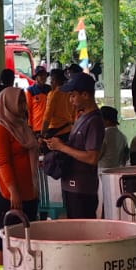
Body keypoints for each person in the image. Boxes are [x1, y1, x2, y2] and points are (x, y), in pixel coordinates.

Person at [43, 72, 103, 219]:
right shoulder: (81, 117)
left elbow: (92, 158)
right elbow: (76, 148)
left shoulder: (94, 121)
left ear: (85, 95)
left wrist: (62, 147)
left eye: (73, 96)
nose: (71, 100)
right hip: (71, 184)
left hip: (82, 188)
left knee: (82, 228)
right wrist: (57, 145)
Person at [0, 87, 41, 222]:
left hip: (28, 190)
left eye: (23, 102)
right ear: (8, 104)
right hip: (8, 190)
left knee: (28, 230)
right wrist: (13, 191)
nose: (23, 106)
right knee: (12, 230)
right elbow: (2, 163)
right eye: (19, 102)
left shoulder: (22, 126)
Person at [41, 64, 82, 138]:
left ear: (58, 81)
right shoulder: (70, 93)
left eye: (52, 80)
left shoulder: (54, 94)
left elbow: (47, 115)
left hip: (55, 131)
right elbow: (74, 113)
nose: (51, 82)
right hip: (69, 129)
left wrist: (42, 134)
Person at [26, 68, 51, 133]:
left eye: (45, 75)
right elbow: (28, 110)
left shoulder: (49, 89)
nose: (44, 77)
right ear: (36, 77)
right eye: (41, 75)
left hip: (49, 126)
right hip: (36, 126)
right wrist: (29, 125)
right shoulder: (30, 90)